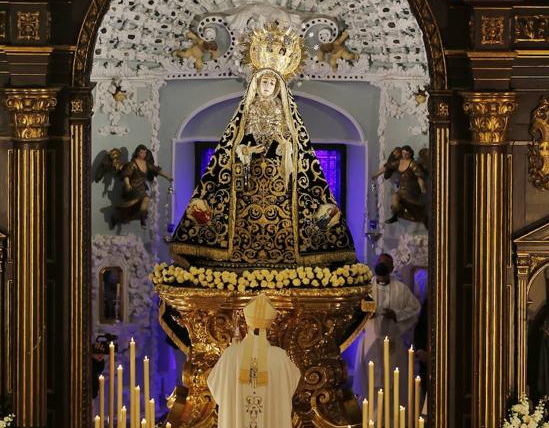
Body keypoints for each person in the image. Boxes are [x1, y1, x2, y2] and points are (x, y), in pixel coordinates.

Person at [170, 44, 356, 268]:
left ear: (277, 88)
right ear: (256, 85)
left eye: (271, 83)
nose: (267, 86)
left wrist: (285, 148)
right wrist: (245, 152)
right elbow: (233, 146)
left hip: (279, 179)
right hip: (249, 179)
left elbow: (296, 148)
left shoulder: (284, 112)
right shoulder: (247, 111)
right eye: (264, 82)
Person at [207, 292, 300, 428]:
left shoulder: (231, 356)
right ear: (270, 326)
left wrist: (233, 401)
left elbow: (214, 385)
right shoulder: (279, 357)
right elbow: (292, 384)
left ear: (246, 324)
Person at [353, 253, 421, 414]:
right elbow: (355, 310)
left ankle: (392, 420)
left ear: (391, 268)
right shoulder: (366, 288)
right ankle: (371, 418)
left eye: (386, 264)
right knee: (369, 382)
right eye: (380, 263)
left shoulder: (401, 289)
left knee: (394, 382)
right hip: (370, 342)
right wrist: (368, 314)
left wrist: (396, 314)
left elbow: (415, 308)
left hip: (392, 343)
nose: (383, 266)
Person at [112, 145, 172, 227]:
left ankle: (142, 218)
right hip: (133, 187)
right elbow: (126, 175)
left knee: (144, 200)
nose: (143, 154)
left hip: (141, 187)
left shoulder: (146, 164)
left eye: (145, 153)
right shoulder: (133, 164)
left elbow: (157, 170)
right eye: (141, 152)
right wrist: (128, 185)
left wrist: (168, 177)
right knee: (137, 201)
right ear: (137, 153)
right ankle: (120, 208)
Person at [373, 145, 428, 226]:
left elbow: (419, 177)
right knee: (395, 198)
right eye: (403, 153)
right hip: (402, 190)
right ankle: (395, 216)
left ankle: (416, 214)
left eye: (406, 154)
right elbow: (388, 166)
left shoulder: (413, 164)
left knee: (412, 207)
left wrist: (423, 189)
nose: (404, 155)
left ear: (410, 154)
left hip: (411, 190)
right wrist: (376, 174)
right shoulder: (399, 162)